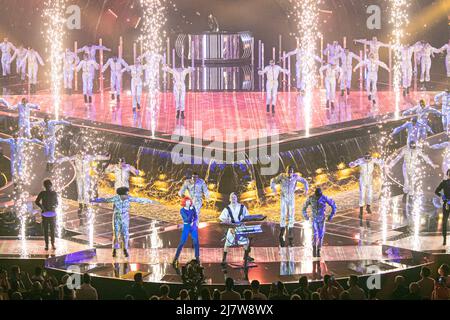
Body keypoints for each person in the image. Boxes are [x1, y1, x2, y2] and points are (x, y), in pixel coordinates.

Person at [92, 187, 157, 258]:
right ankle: (114, 249)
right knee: (116, 234)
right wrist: (94, 200)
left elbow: (139, 200)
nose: (127, 195)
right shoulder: (116, 198)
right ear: (121, 195)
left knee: (125, 235)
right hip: (117, 218)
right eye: (126, 194)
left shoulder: (128, 198)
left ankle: (125, 250)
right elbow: (105, 200)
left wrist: (151, 201)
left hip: (125, 219)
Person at [56, 153, 110, 225]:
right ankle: (81, 204)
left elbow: (97, 157)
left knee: (86, 190)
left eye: (83, 153)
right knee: (80, 190)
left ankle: (86, 203)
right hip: (79, 177)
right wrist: (59, 160)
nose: (81, 155)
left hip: (86, 177)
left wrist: (106, 158)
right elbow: (68, 158)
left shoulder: (88, 157)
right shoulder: (76, 157)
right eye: (80, 153)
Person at [271, 166, 309, 247]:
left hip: (291, 196)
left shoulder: (295, 176)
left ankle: (290, 231)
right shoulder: (281, 176)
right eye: (288, 172)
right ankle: (282, 230)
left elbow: (305, 181)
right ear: (286, 171)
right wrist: (273, 189)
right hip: (283, 196)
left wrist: (306, 190)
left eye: (291, 172)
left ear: (293, 172)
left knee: (291, 214)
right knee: (283, 213)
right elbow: (273, 181)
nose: (289, 174)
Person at [349, 153, 384, 227]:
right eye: (366, 158)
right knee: (362, 195)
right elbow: (353, 164)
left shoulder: (373, 160)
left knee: (369, 194)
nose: (367, 159)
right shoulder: (360, 161)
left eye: (369, 158)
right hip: (363, 178)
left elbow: (380, 161)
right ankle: (361, 210)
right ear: (364, 157)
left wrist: (383, 163)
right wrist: (351, 164)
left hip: (370, 178)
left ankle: (368, 206)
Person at [219, 192, 252, 266]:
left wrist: (243, 223)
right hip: (232, 227)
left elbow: (247, 217)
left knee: (246, 242)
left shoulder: (242, 207)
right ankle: (224, 259)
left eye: (234, 197)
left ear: (237, 198)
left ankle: (246, 256)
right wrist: (228, 222)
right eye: (232, 197)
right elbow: (222, 218)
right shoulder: (227, 208)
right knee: (227, 243)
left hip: (241, 227)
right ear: (229, 199)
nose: (233, 198)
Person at [302, 188, 336, 258]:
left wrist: (331, 215)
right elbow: (304, 207)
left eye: (319, 195)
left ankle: (319, 248)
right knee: (314, 234)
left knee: (320, 235)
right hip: (314, 219)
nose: (318, 197)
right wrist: (306, 216)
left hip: (321, 219)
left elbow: (333, 205)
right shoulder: (311, 198)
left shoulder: (324, 198)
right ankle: (314, 246)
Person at [172, 197, 200, 267]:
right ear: (184, 202)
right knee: (182, 242)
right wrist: (190, 212)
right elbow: (187, 219)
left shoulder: (192, 208)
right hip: (186, 226)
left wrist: (194, 222)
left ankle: (197, 257)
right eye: (187, 201)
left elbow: (196, 217)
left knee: (196, 241)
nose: (189, 202)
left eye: (189, 201)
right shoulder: (182, 210)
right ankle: (176, 258)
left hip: (193, 226)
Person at [35, 179, 58, 251]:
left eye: (49, 185)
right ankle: (47, 244)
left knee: (52, 229)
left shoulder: (54, 193)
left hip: (52, 213)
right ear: (45, 186)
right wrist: (42, 207)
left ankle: (52, 243)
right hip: (45, 214)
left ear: (51, 185)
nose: (48, 187)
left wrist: (54, 206)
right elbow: (37, 201)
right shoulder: (42, 193)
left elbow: (57, 203)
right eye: (47, 186)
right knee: (46, 230)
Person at [435, 169, 450, 245]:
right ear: (447, 174)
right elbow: (436, 191)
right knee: (444, 222)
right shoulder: (444, 182)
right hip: (446, 204)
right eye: (449, 173)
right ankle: (444, 239)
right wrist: (442, 196)